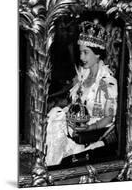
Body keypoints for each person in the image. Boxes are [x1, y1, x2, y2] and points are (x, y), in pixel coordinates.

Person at [45, 20, 118, 166]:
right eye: (80, 52)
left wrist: (89, 128)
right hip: (74, 125)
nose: (81, 57)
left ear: (97, 54)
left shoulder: (107, 82)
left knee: (57, 122)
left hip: (92, 134)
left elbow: (109, 118)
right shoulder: (82, 76)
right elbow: (74, 103)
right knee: (55, 114)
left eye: (86, 53)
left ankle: (52, 168)